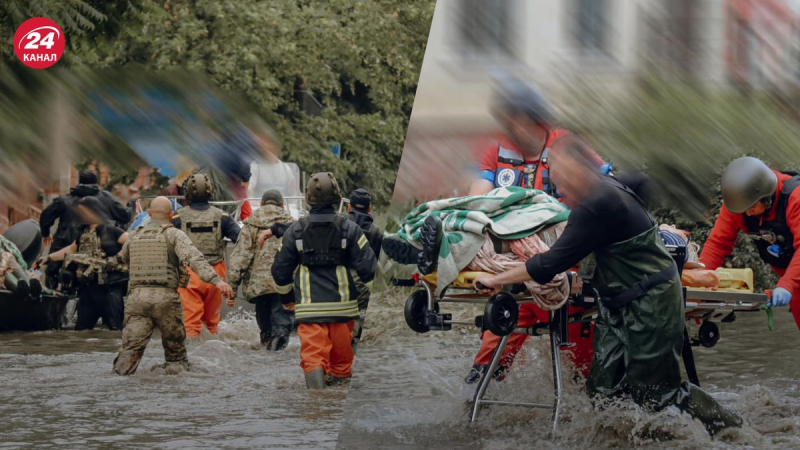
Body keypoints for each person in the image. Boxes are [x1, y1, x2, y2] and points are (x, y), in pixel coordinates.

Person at [472, 142, 742, 434]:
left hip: (653, 303)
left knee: (659, 394)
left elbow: (548, 264)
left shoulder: (594, 204)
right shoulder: (612, 185)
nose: (558, 187)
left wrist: (495, 280)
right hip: (615, 306)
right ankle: (623, 438)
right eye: (555, 178)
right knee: (602, 391)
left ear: (581, 171)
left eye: (562, 178)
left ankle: (731, 429)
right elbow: (642, 181)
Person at [465, 79, 603, 383]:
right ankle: (473, 405)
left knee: (587, 369)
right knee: (487, 362)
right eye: (508, 118)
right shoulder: (496, 151)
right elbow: (478, 199)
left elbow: (606, 188)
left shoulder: (566, 146)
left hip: (567, 270)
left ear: (535, 116)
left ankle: (597, 408)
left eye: (518, 117)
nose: (513, 126)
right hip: (517, 276)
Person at [271, 173, 377, 389]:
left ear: (308, 198)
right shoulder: (350, 229)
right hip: (343, 310)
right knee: (342, 362)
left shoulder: (295, 230)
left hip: (310, 311)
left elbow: (280, 270)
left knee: (313, 358)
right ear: (338, 198)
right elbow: (369, 270)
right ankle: (336, 406)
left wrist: (286, 297)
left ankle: (317, 407)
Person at [112, 197, 234, 375]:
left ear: (150, 213)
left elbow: (122, 259)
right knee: (176, 359)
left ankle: (119, 380)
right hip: (166, 299)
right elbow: (194, 258)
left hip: (137, 300)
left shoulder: (134, 236)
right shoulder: (174, 234)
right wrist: (217, 281)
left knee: (129, 352)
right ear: (171, 215)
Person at [700, 156, 800, 326]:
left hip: (793, 278)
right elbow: (717, 244)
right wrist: (699, 286)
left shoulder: (795, 199)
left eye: (752, 208)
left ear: (766, 198)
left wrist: (787, 284)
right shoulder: (740, 204)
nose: (747, 214)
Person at [36, 197, 129, 330]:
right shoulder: (82, 233)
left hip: (110, 290)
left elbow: (132, 243)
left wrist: (117, 258)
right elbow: (71, 250)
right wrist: (47, 258)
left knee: (115, 330)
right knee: (81, 330)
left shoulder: (112, 230)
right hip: (88, 289)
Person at [173, 173, 240, 338]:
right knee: (212, 322)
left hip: (188, 274)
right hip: (216, 274)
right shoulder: (223, 217)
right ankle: (214, 354)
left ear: (186, 193)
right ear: (211, 191)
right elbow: (241, 239)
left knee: (190, 323)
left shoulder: (176, 218)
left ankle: (193, 358)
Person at [39, 170, 131, 288]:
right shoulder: (107, 199)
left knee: (54, 279)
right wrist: (131, 206)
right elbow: (124, 216)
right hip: (96, 253)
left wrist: (45, 233)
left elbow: (46, 216)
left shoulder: (64, 199)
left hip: (65, 245)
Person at [228, 189, 295, 350]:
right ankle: (276, 362)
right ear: (282, 205)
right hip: (285, 285)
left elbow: (240, 259)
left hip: (259, 286)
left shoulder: (250, 224)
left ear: (261, 204)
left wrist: (232, 289)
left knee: (265, 329)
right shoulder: (292, 224)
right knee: (282, 329)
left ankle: (266, 358)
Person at [347, 188, 383, 351]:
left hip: (339, 281)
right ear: (369, 208)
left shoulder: (340, 225)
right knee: (359, 321)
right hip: (364, 284)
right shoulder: (376, 232)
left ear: (349, 207)